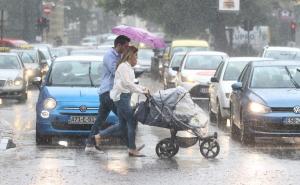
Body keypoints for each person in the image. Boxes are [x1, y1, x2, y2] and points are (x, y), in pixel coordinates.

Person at [93, 46, 148, 157]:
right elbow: (127, 84)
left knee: (122, 125)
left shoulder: (128, 68)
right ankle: (132, 149)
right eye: (136, 55)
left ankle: (99, 136)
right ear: (130, 56)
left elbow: (131, 84)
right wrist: (142, 91)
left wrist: (142, 89)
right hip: (122, 98)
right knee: (132, 121)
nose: (137, 58)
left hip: (124, 97)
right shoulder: (123, 67)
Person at [85, 35, 130, 153]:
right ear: (118, 45)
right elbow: (116, 72)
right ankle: (131, 146)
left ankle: (90, 145)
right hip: (109, 93)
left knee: (100, 120)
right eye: (125, 46)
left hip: (108, 93)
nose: (127, 48)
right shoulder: (110, 55)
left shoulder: (119, 56)